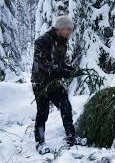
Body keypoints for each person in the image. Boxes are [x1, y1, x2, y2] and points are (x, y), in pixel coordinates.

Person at [31, 15, 84, 154]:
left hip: (53, 81)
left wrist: (71, 70)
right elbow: (42, 63)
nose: (69, 33)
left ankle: (71, 137)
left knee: (65, 106)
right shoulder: (42, 41)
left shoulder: (62, 41)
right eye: (68, 30)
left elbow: (59, 64)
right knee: (43, 112)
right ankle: (40, 142)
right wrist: (61, 72)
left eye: (71, 30)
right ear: (60, 28)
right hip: (41, 82)